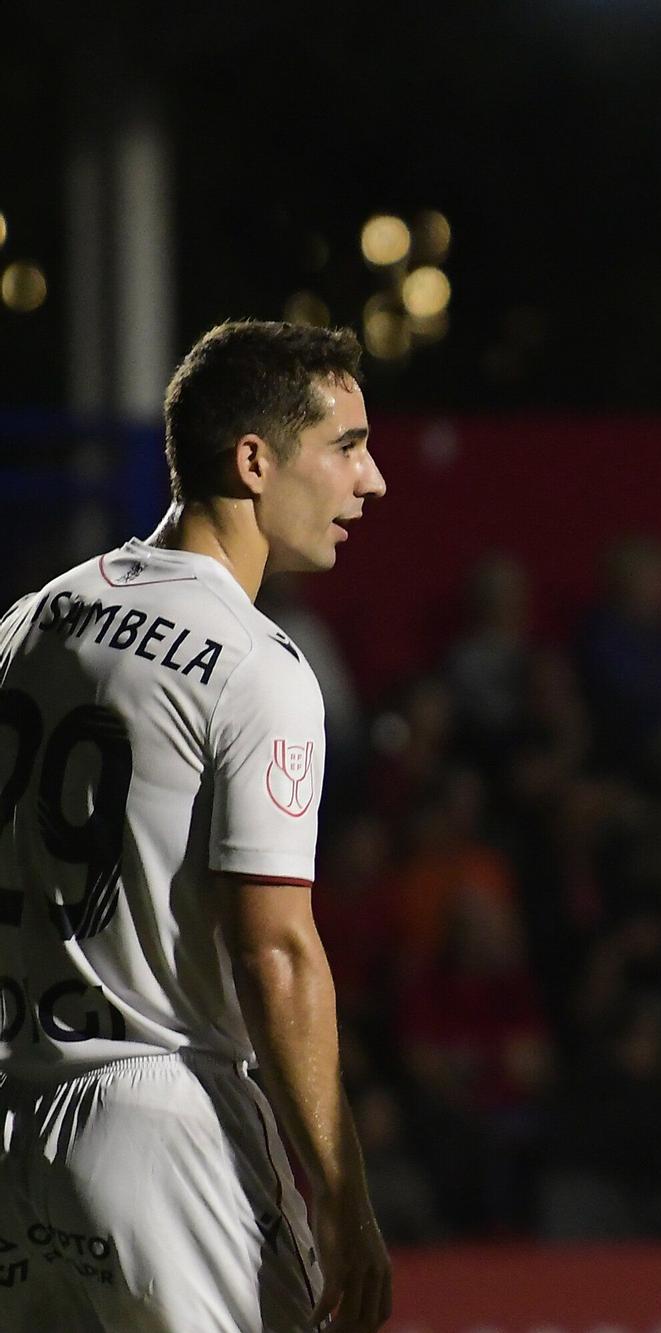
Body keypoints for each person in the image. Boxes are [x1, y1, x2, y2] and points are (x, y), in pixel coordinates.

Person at [0, 321, 392, 1331]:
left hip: (14, 1124)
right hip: (161, 1125)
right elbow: (276, 953)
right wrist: (343, 1191)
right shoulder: (256, 664)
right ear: (253, 461)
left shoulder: (32, 619)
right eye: (346, 446)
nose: (372, 480)